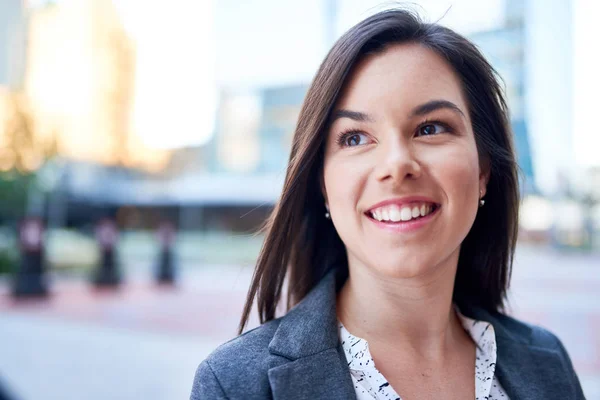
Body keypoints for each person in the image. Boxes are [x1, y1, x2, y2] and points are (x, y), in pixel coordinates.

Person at [190, 8, 585, 400]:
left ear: (483, 170)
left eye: (430, 128)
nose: (396, 166)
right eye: (355, 138)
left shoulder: (547, 361)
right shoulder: (234, 385)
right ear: (323, 184)